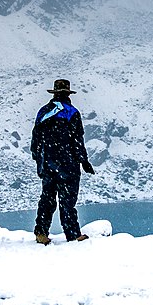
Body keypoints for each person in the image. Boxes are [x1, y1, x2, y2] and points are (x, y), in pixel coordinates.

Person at [30, 78, 95, 244]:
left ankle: (41, 232)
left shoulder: (43, 112)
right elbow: (77, 141)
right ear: (68, 94)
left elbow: (35, 140)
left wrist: (40, 160)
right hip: (67, 164)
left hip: (47, 163)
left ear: (55, 93)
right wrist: (84, 161)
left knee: (47, 198)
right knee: (67, 201)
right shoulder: (71, 112)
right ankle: (72, 234)